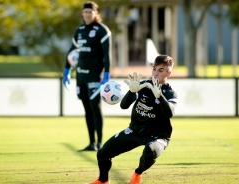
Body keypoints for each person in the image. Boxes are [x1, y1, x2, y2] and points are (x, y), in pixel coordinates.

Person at [86, 55, 178, 184]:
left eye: (160, 70)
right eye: (154, 69)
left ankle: (138, 173)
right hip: (135, 131)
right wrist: (131, 91)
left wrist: (160, 96)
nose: (156, 73)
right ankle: (103, 180)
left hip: (158, 136)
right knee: (102, 154)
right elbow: (124, 106)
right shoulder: (143, 85)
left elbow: (170, 113)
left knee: (149, 152)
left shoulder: (170, 93)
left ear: (168, 73)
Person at [62, 1, 112, 151]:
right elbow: (71, 52)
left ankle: (100, 143)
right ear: (82, 14)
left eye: (91, 12)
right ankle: (91, 143)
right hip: (80, 76)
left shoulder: (102, 30)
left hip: (94, 76)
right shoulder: (79, 31)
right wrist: (66, 70)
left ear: (96, 14)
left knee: (95, 107)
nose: (88, 14)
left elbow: (107, 54)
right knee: (87, 109)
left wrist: (107, 73)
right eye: (86, 12)